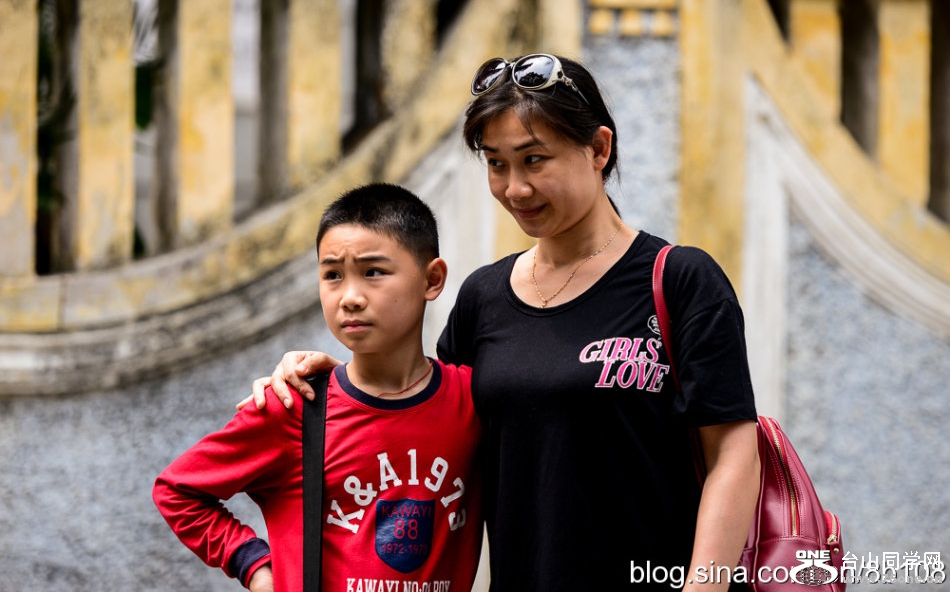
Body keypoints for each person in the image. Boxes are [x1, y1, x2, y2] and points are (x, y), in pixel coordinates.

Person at [248, 54, 760, 591]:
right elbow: (427, 417)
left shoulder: (679, 280)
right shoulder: (484, 296)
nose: (515, 188)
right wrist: (339, 383)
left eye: (534, 160)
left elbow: (732, 454)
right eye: (496, 164)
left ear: (598, 149)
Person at [154, 183, 482, 592]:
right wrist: (255, 567)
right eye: (332, 275)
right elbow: (177, 490)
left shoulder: (474, 401)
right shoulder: (296, 406)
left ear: (432, 280)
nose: (350, 297)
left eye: (373, 272)